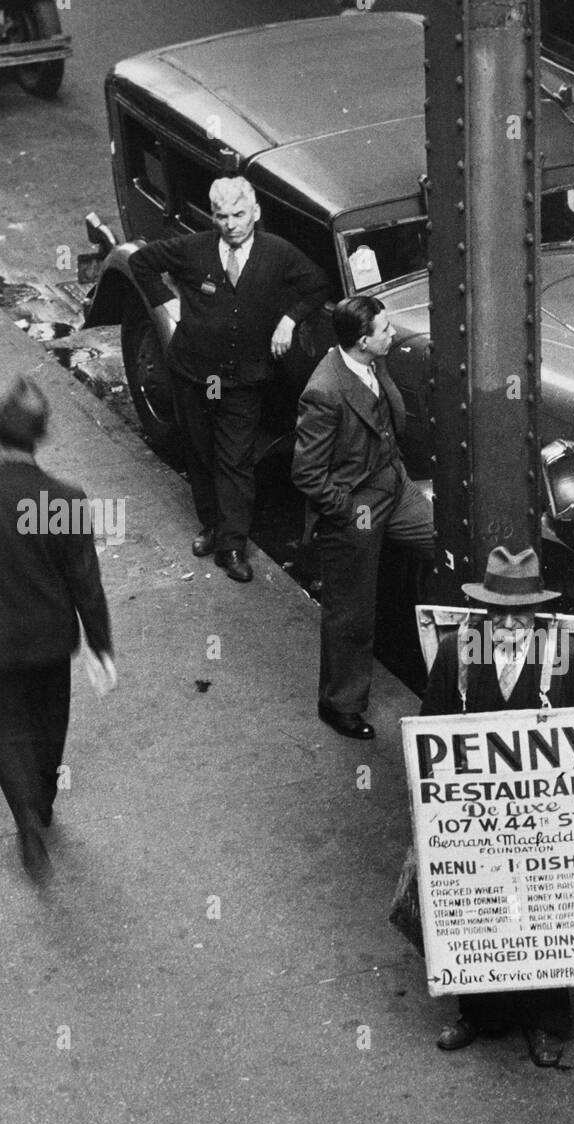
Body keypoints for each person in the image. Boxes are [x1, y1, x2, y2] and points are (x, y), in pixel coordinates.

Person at [420, 545, 574, 1067]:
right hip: (477, 821)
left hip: (545, 820)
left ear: (537, 614)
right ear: (485, 611)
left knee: (543, 912)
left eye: (520, 615)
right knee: (480, 907)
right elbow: (430, 731)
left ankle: (544, 1022)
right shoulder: (458, 651)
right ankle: (481, 1014)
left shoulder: (567, 655)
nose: (509, 625)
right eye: (499, 614)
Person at [129, 176, 331, 583]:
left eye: (239, 214)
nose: (231, 224)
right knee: (200, 451)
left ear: (255, 212)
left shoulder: (278, 254)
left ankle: (232, 545)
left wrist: (289, 321)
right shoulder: (192, 249)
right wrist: (167, 303)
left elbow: (316, 285)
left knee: (235, 460)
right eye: (221, 216)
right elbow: (141, 262)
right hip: (193, 374)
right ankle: (211, 526)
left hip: (243, 380)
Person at [291, 295, 434, 739]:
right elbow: (307, 473)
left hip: (393, 481)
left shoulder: (372, 362)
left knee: (450, 546)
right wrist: (349, 511)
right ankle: (341, 704)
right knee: (351, 610)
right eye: (385, 330)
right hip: (358, 504)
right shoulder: (324, 391)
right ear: (362, 342)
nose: (392, 334)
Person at [0, 375, 115, 883]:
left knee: (7, 730)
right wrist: (101, 647)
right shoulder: (62, 500)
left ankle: (24, 816)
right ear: (39, 437)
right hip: (50, 639)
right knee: (49, 728)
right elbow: (85, 584)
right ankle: (42, 803)